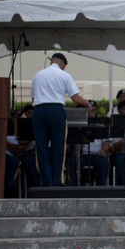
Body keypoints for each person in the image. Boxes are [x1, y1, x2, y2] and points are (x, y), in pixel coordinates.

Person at [30, 52, 90, 186]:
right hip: (56, 111)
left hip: (39, 111)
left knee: (41, 148)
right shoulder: (64, 75)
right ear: (62, 63)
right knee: (58, 147)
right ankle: (57, 181)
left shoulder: (37, 75)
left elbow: (33, 99)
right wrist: (87, 103)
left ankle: (46, 182)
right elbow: (75, 98)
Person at [4, 105, 40, 197]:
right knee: (13, 162)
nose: (31, 115)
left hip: (27, 152)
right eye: (29, 113)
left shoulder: (36, 123)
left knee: (29, 161)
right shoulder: (12, 122)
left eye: (33, 113)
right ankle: (9, 187)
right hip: (10, 152)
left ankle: (35, 186)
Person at [78, 100, 110, 186]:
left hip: (97, 154)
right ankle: (76, 187)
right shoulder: (79, 124)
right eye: (88, 111)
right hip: (83, 154)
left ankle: (100, 188)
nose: (90, 113)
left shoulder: (101, 125)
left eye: (92, 111)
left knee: (103, 163)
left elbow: (106, 142)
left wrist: (103, 150)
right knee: (75, 161)